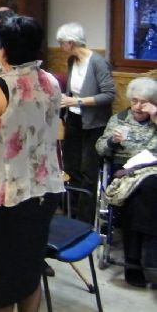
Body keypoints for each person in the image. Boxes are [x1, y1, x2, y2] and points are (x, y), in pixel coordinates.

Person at [0, 15, 65, 312]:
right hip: (45, 190)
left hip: (8, 197)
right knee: (28, 270)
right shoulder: (50, 82)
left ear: (5, 50)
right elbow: (22, 72)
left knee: (1, 279)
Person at [96, 77, 157, 287]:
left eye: (144, 102)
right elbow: (100, 148)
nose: (138, 106)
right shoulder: (119, 119)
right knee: (138, 193)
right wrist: (112, 141)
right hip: (126, 173)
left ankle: (134, 260)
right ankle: (144, 257)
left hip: (153, 171)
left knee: (145, 190)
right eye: (134, 101)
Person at [57, 22, 116, 223]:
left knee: (88, 171)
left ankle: (84, 220)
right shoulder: (72, 61)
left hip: (94, 124)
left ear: (71, 43)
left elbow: (109, 94)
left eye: (62, 43)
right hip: (73, 119)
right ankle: (71, 214)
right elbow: (72, 91)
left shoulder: (98, 62)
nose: (60, 47)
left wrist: (78, 101)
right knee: (71, 167)